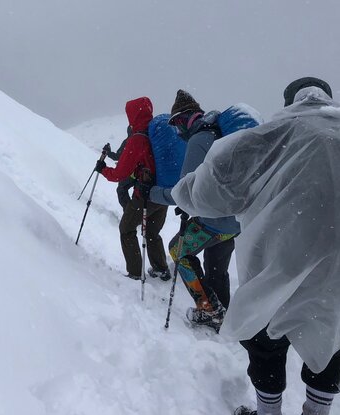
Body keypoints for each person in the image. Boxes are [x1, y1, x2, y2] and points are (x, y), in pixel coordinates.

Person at [171, 77, 340, 415]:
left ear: (288, 102)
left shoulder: (272, 137)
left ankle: (269, 413)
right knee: (332, 336)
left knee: (266, 341)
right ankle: (315, 413)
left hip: (278, 261)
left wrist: (182, 191)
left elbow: (208, 193)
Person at [144, 90, 241, 330]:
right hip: (236, 220)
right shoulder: (220, 135)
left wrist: (153, 193)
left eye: (177, 124)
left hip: (215, 219)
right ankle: (223, 311)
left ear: (185, 118)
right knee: (216, 266)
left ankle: (209, 310)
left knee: (178, 250)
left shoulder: (200, 139)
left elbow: (183, 191)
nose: (177, 131)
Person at [95, 97, 170, 280]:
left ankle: (135, 273)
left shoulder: (138, 139)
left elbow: (120, 174)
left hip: (144, 195)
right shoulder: (157, 133)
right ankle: (161, 269)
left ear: (133, 115)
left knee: (127, 229)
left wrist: (103, 169)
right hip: (163, 193)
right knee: (152, 232)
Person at [104, 126, 135, 209]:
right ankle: (136, 214)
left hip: (130, 173)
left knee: (121, 189)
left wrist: (108, 152)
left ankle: (129, 213)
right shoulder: (146, 138)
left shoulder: (128, 141)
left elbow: (117, 156)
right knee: (138, 194)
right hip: (144, 173)